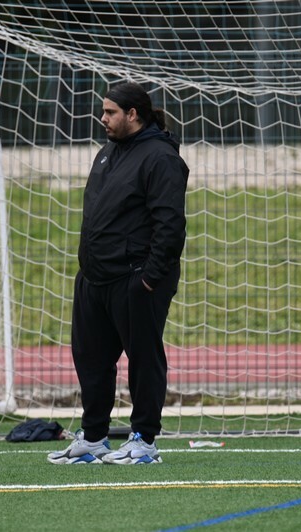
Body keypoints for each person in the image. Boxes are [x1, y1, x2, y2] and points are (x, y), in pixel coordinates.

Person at [48, 81, 189, 465]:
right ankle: (94, 438)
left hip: (136, 279)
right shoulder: (107, 153)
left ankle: (144, 441)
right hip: (95, 278)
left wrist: (149, 278)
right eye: (103, 111)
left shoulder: (160, 157)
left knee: (143, 360)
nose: (103, 118)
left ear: (133, 114)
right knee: (91, 360)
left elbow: (170, 225)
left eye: (110, 112)